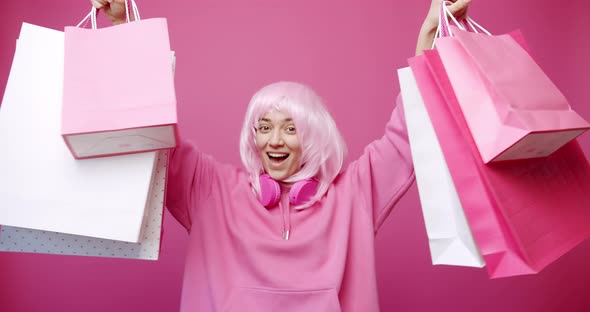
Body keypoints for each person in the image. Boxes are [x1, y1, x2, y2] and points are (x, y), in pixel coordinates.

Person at [91, 0, 472, 311]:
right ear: (253, 135)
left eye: (291, 128)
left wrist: (431, 35)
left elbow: (407, 136)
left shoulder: (353, 194)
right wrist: (126, 28)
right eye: (264, 126)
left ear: (313, 136)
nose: (276, 139)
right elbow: (157, 133)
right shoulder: (211, 190)